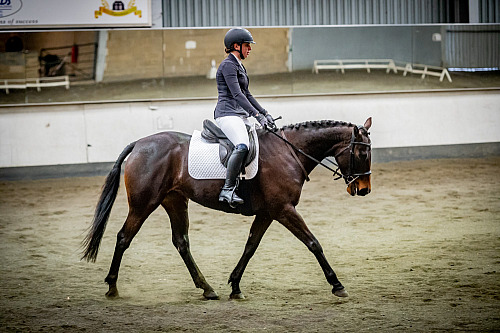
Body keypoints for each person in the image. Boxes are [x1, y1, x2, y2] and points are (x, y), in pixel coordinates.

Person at [214, 27, 276, 207]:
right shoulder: (228, 65)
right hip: (227, 114)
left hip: (239, 115)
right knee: (242, 145)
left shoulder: (239, 65)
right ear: (236, 46)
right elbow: (237, 95)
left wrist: (265, 113)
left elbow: (247, 94)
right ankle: (227, 189)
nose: (250, 49)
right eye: (247, 45)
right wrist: (257, 115)